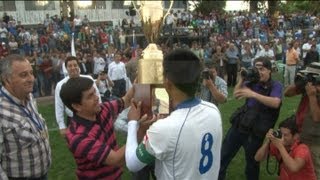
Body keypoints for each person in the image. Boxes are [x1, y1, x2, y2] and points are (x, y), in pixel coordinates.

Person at [125, 49, 223, 179]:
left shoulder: (163, 129)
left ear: (168, 82)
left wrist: (132, 122)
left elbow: (132, 163)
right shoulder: (213, 110)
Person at [218, 57, 283, 180]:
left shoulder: (276, 85)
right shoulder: (253, 82)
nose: (259, 72)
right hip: (240, 125)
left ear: (270, 70)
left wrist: (253, 94)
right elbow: (236, 94)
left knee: (252, 164)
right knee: (223, 156)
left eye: (262, 69)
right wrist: (242, 79)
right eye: (256, 69)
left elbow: (275, 102)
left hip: (256, 132)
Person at [59, 76, 133, 179]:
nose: (97, 97)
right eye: (90, 96)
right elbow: (116, 160)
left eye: (94, 92)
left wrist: (141, 79)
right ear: (77, 106)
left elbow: (127, 100)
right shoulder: (78, 136)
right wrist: (139, 131)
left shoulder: (103, 109)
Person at [0, 54, 51, 179]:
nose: (31, 79)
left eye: (31, 73)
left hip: (43, 174)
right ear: (6, 79)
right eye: (23, 75)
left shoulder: (29, 97)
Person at [284, 62, 320, 179]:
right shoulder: (308, 87)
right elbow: (287, 93)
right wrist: (299, 84)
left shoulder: (313, 92)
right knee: (297, 169)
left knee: (314, 170)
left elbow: (317, 118)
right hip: (299, 134)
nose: (308, 79)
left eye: (311, 76)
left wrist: (312, 96)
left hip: (314, 141)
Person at [55, 56, 101, 136]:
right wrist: (61, 126)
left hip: (91, 115)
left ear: (78, 67)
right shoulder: (60, 85)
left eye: (75, 65)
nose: (73, 68)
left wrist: (100, 112)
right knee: (77, 144)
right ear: (66, 68)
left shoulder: (88, 79)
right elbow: (59, 106)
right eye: (70, 66)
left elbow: (97, 96)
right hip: (72, 119)